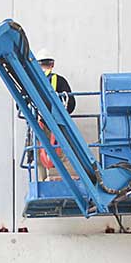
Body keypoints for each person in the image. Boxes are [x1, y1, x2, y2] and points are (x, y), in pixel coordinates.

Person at [32, 49, 76, 180]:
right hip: (56, 124)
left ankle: (41, 181)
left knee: (39, 153)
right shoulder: (60, 81)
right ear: (52, 64)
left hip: (39, 123)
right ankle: (70, 181)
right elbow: (71, 103)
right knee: (63, 153)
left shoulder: (32, 81)